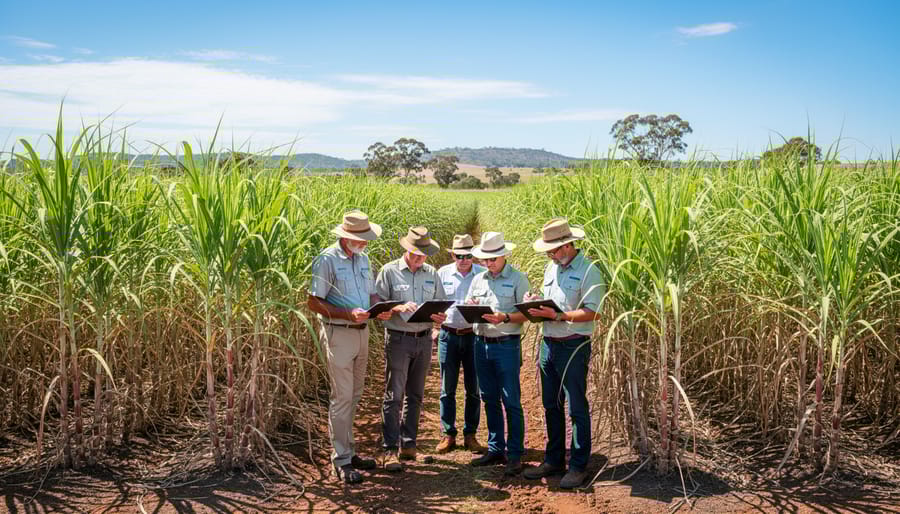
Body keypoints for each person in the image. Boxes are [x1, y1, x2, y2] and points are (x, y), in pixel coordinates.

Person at [307, 210, 391, 485]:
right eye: (360, 239)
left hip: (362, 332)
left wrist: (381, 308)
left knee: (354, 395)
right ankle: (340, 460)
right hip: (339, 334)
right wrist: (347, 314)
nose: (365, 243)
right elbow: (314, 302)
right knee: (341, 398)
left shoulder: (363, 259)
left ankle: (349, 451)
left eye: (366, 239)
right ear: (345, 237)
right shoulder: (327, 260)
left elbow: (371, 293)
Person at [522, 218, 605, 489]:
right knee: (551, 404)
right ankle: (554, 459)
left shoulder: (589, 270)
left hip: (573, 345)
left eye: (554, 250)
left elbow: (593, 311)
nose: (550, 255)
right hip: (549, 344)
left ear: (569, 245)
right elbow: (551, 301)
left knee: (576, 407)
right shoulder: (550, 267)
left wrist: (558, 315)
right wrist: (536, 305)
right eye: (548, 251)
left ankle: (579, 465)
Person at [375, 226, 448, 472]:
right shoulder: (389, 272)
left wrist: (440, 317)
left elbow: (441, 304)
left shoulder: (432, 273)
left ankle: (409, 445)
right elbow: (377, 304)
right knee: (394, 395)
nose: (420, 259)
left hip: (424, 339)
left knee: (415, 395)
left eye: (424, 255)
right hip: (398, 339)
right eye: (416, 254)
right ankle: (389, 449)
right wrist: (397, 308)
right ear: (407, 249)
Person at [465, 232, 530, 476]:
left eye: (493, 259)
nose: (488, 263)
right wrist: (471, 307)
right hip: (481, 344)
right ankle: (495, 449)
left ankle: (514, 454)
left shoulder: (518, 279)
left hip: (506, 345)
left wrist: (505, 317)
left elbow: (528, 313)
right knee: (488, 398)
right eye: (485, 259)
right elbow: (469, 303)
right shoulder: (479, 279)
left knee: (511, 400)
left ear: (504, 256)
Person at [435, 234, 486, 454]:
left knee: (473, 388)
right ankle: (448, 434)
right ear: (453, 255)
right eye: (459, 255)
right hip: (448, 335)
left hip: (473, 335)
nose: (464, 259)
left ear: (473, 255)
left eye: (468, 255)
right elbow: (434, 303)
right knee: (447, 388)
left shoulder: (483, 275)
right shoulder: (442, 274)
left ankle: (470, 434)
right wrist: (435, 327)